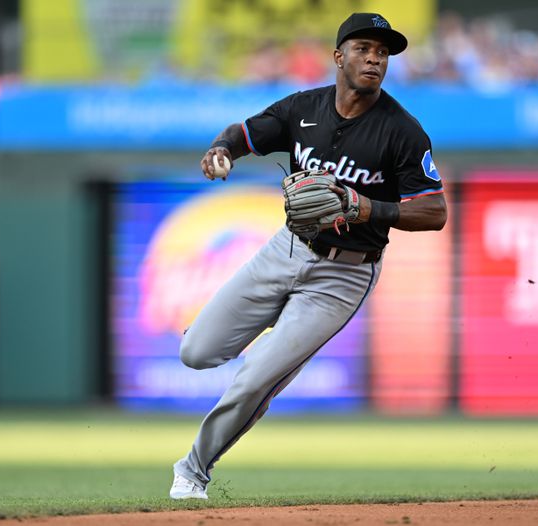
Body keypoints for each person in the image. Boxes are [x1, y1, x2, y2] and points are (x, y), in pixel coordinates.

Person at [169, 12, 448, 500]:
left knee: (256, 377)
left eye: (383, 52)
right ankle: (264, 352)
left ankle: (193, 470)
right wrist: (222, 150)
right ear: (338, 56)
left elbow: (434, 211)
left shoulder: (402, 131)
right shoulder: (303, 108)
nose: (375, 58)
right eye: (363, 48)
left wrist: (368, 208)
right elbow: (246, 131)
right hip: (288, 247)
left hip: (343, 275)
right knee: (195, 353)